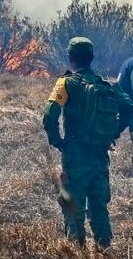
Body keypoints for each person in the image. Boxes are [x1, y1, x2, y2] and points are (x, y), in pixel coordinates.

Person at [43, 37, 133, 249]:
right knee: (99, 208)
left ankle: (76, 251)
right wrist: (113, 133)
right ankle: (104, 250)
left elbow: (49, 115)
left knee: (74, 209)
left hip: (74, 156)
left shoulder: (65, 83)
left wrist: (59, 142)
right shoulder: (108, 86)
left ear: (71, 58)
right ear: (91, 58)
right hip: (100, 156)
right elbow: (130, 108)